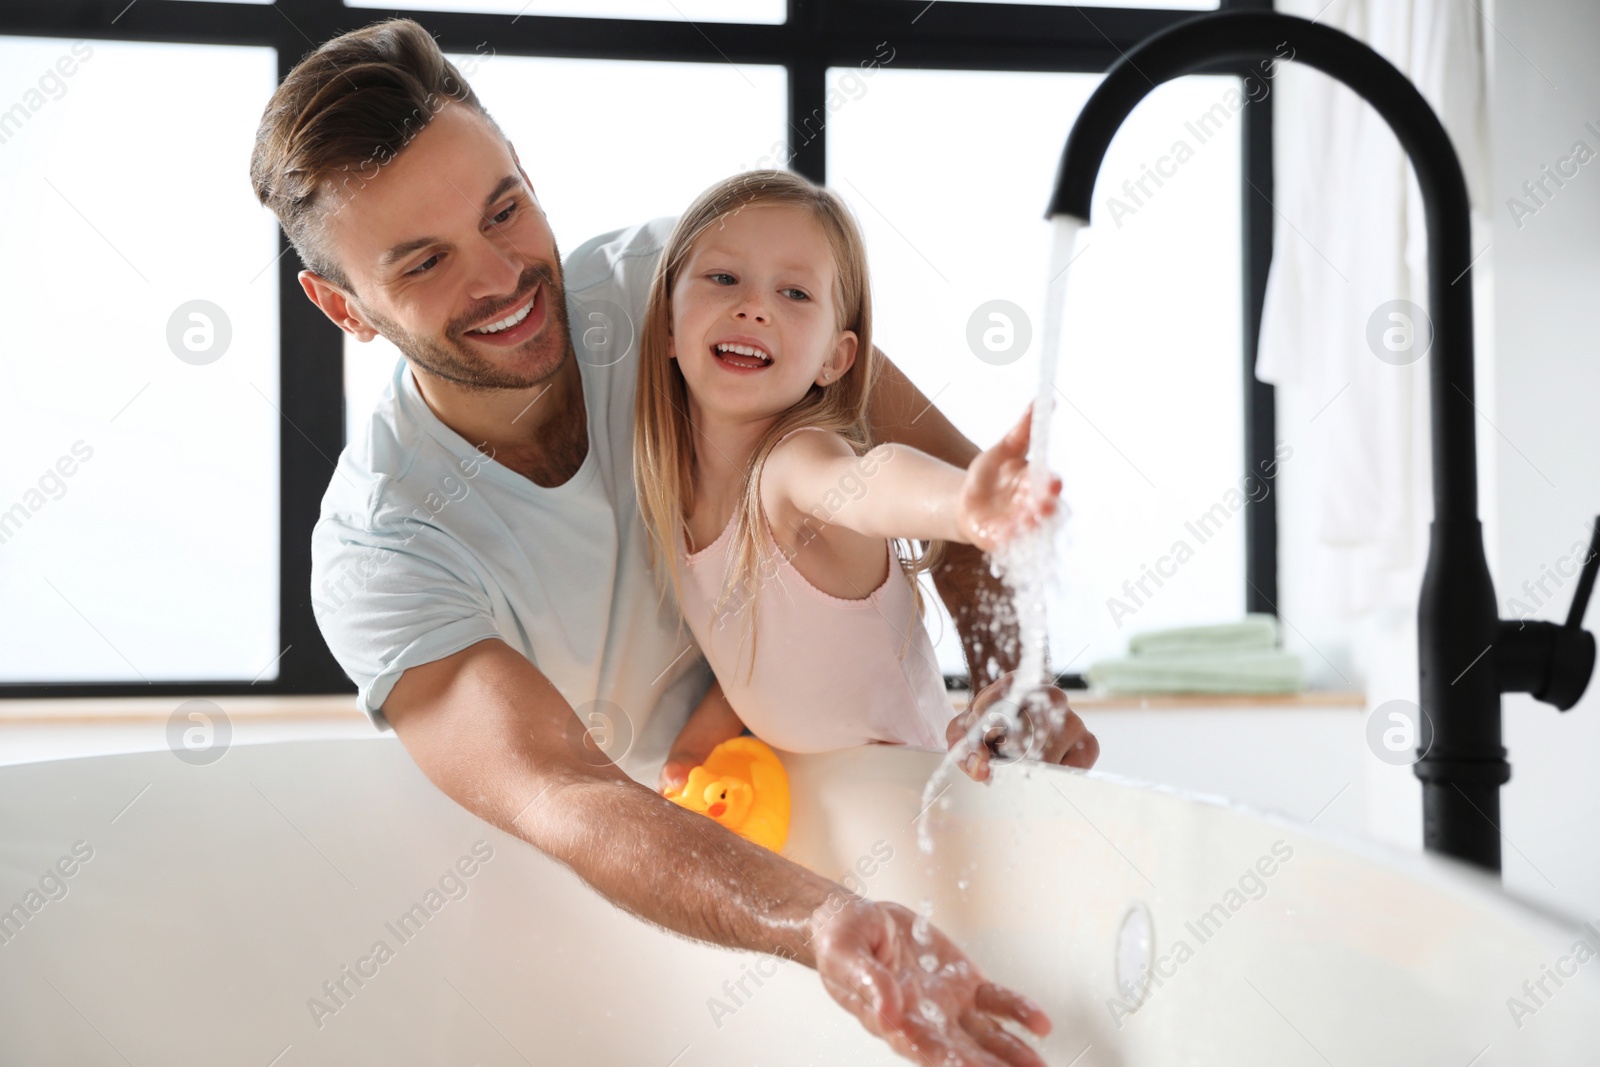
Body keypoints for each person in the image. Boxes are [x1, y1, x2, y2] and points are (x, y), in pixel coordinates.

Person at [249, 17, 1098, 1066]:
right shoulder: (386, 551)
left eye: (505, 209)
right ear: (344, 306)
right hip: (714, 859)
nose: (504, 276)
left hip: (880, 762)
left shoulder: (687, 286)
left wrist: (1011, 687)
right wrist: (819, 921)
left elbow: (960, 500)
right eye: (425, 262)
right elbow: (566, 791)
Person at [638, 171, 1065, 796]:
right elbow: (753, 645)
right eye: (724, 278)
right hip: (836, 808)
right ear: (668, 326)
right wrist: (697, 745)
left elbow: (870, 480)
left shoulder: (791, 464)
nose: (752, 305)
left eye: (794, 293)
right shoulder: (678, 494)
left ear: (835, 359)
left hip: (926, 804)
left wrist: (958, 503)